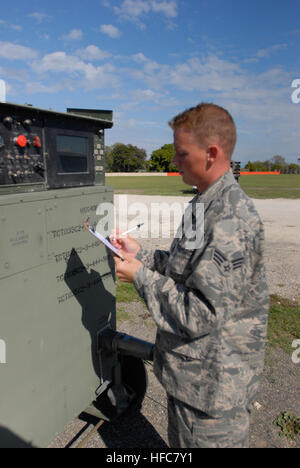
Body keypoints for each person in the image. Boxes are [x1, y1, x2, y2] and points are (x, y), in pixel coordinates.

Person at [111, 103, 269, 448]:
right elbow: (185, 267)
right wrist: (143, 256)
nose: (174, 161)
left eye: (181, 153)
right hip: (194, 381)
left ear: (211, 154)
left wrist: (140, 277)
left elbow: (199, 313)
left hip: (211, 395)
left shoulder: (229, 218)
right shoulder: (205, 202)